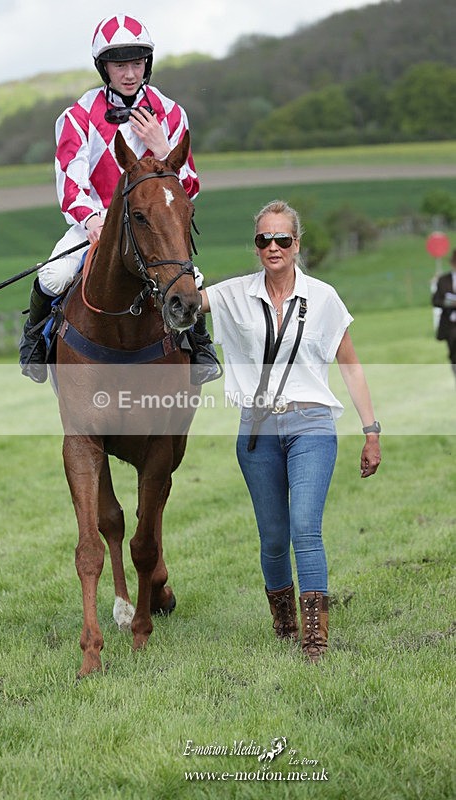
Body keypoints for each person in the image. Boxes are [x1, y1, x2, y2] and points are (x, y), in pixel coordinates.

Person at [199, 199, 381, 663]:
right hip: (256, 431)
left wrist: (371, 430)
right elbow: (183, 300)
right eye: (265, 239)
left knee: (304, 527)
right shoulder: (233, 294)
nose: (273, 246)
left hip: (312, 424)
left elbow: (351, 365)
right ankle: (284, 621)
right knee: (274, 537)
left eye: (283, 238)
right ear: (256, 245)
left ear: (296, 244)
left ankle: (316, 636)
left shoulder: (324, 298)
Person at [19, 13, 219, 384]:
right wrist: (94, 222)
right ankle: (34, 339)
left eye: (137, 63)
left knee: (191, 277)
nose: (129, 73)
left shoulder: (172, 114)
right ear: (103, 68)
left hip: (153, 225)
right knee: (55, 273)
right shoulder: (77, 116)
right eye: (119, 64)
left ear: (148, 65)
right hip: (95, 223)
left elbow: (188, 188)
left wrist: (163, 147)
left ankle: (200, 346)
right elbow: (70, 186)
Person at [432, 248, 456, 385]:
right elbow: (435, 301)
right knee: (453, 354)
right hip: (450, 324)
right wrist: (449, 303)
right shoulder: (443, 280)